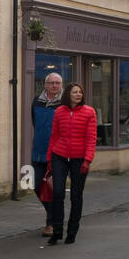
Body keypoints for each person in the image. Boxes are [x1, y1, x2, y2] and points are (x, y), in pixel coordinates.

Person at [46, 82, 97, 245]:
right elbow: (54, 136)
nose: (78, 94)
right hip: (59, 155)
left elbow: (91, 138)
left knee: (76, 195)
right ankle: (57, 230)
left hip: (79, 158)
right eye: (75, 92)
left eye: (80, 92)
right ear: (68, 94)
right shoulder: (59, 111)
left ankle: (72, 231)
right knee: (58, 193)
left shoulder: (89, 112)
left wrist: (87, 160)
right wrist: (49, 159)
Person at [31, 73, 63, 235]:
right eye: (51, 83)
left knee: (54, 190)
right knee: (36, 185)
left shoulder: (65, 103)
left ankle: (51, 223)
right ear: (45, 84)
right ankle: (54, 217)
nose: (54, 86)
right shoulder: (37, 101)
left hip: (57, 154)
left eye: (57, 83)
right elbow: (35, 123)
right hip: (38, 153)